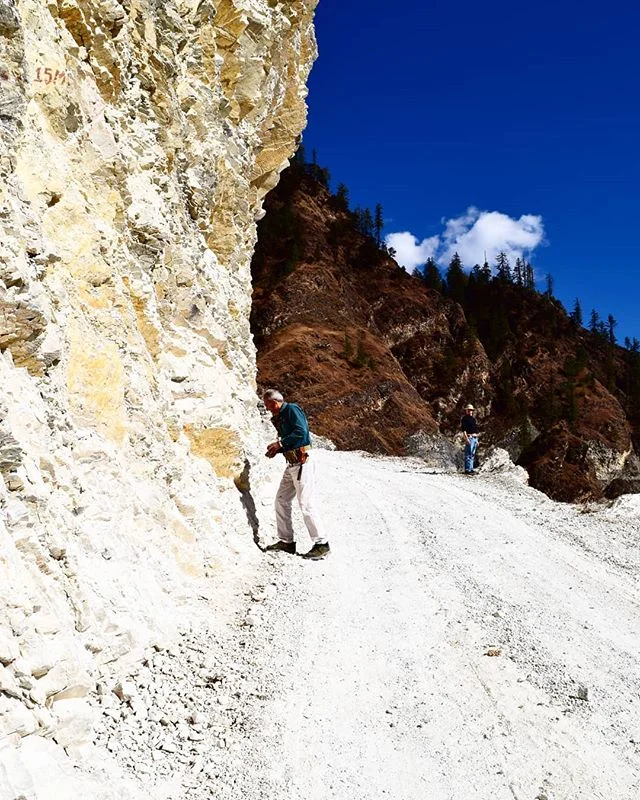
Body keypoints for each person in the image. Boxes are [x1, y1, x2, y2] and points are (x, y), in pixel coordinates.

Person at [262, 389, 330, 560]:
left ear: (275, 402)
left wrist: (279, 444)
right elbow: (292, 440)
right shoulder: (282, 416)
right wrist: (278, 450)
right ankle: (286, 542)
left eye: (268, 405)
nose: (268, 409)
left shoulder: (292, 410)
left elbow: (301, 433)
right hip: (292, 463)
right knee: (281, 500)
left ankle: (322, 544)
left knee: (306, 503)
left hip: (302, 463)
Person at [461, 403, 479, 475]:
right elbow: (464, 430)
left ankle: (471, 469)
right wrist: (466, 439)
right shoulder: (464, 419)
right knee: (468, 454)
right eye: (469, 410)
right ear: (466, 411)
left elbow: (475, 430)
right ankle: (467, 470)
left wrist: (477, 440)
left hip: (474, 438)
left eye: (471, 410)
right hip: (469, 437)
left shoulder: (473, 419)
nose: (470, 411)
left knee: (472, 454)